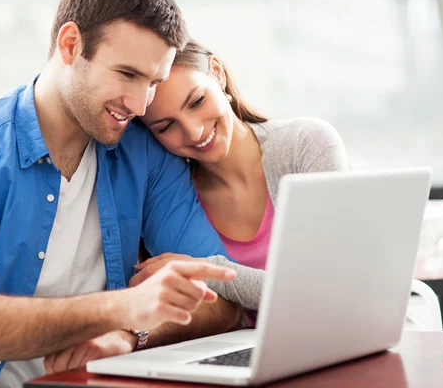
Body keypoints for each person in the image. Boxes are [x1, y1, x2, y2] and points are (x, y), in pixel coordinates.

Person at [0, 0, 245, 387]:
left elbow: (221, 296)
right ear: (71, 45)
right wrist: (126, 308)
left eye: (153, 82)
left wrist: (129, 335)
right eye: (127, 74)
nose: (140, 105)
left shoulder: (145, 154)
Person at [133, 40, 350, 312]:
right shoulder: (178, 208)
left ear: (217, 73)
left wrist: (207, 271)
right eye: (166, 127)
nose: (194, 132)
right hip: (244, 350)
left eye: (197, 101)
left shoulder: (307, 145)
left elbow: (328, 290)